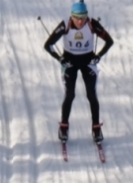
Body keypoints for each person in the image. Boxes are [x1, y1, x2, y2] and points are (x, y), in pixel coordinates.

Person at [43, 1, 114, 146]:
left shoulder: (92, 24)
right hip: (70, 62)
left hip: (88, 61)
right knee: (70, 94)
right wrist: (60, 58)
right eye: (77, 18)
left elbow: (109, 41)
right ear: (72, 16)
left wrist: (98, 56)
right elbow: (48, 45)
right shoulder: (65, 25)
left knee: (91, 94)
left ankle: (96, 128)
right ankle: (64, 127)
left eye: (83, 17)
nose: (80, 21)